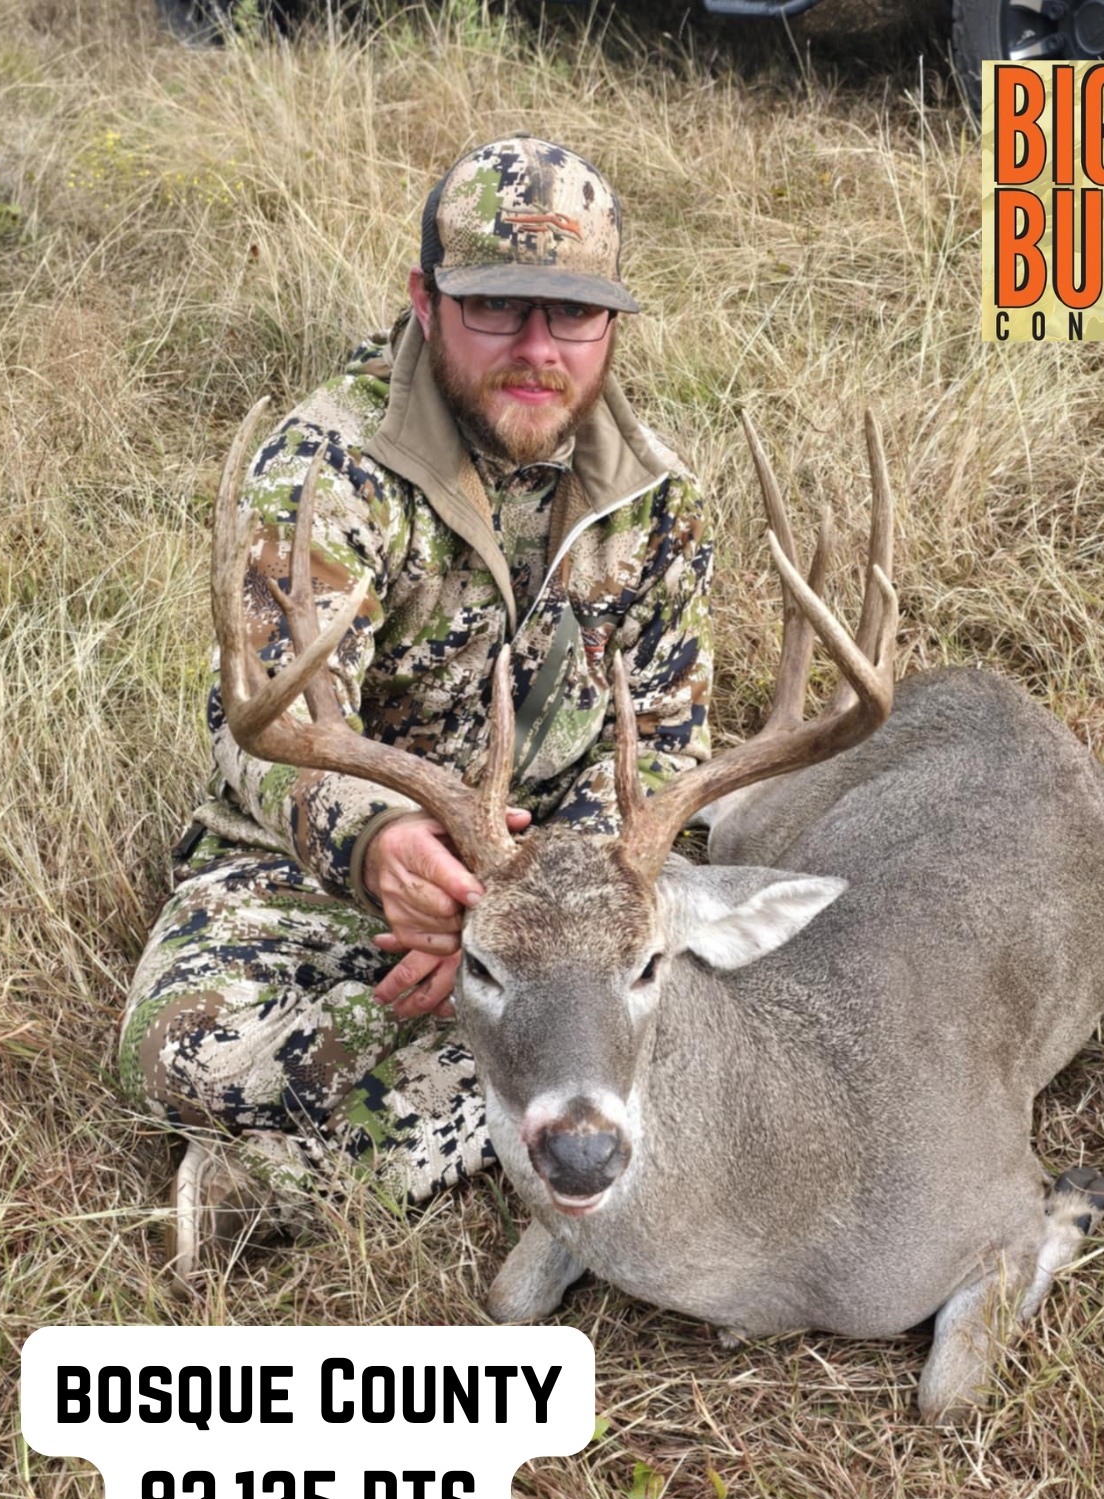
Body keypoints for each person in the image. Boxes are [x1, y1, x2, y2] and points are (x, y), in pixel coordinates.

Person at [118, 136, 715, 1284]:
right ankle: (505, 1109)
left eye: (572, 314)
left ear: (611, 327)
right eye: (496, 307)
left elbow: (665, 759)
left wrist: (532, 920)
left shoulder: (659, 499)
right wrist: (378, 842)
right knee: (178, 1053)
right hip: (312, 871)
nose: (537, 347)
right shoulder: (326, 467)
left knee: (693, 1005)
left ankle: (296, 1168)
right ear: (426, 301)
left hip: (560, 905)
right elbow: (258, 724)